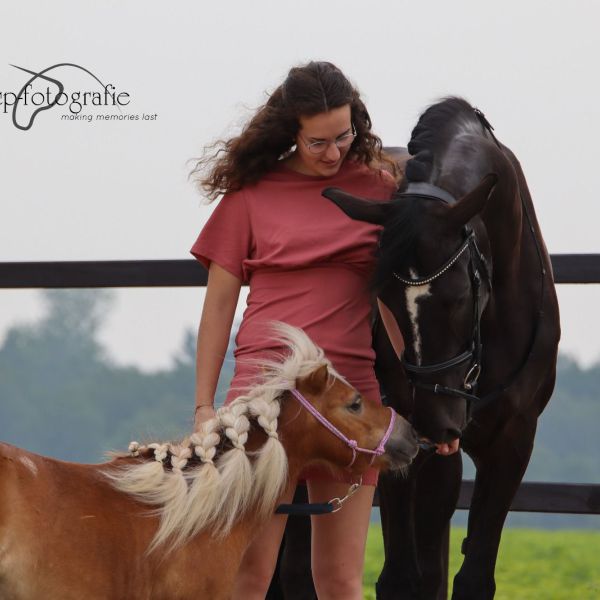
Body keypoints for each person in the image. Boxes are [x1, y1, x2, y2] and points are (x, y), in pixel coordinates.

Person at [189, 61, 399, 600]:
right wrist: (204, 409)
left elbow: (398, 302)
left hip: (348, 401)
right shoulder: (251, 195)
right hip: (262, 403)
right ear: (291, 132)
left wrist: (422, 407)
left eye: (344, 136)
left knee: (340, 580)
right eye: (318, 142)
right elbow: (218, 310)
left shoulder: (379, 189)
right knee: (246, 579)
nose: (333, 152)